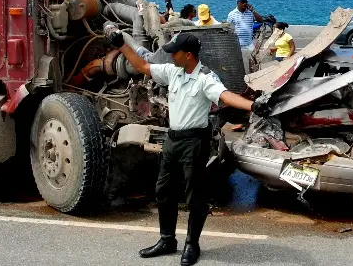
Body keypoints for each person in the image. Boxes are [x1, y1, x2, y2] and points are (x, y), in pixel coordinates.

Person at [105, 27, 270, 265]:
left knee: (194, 197)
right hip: (173, 140)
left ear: (189, 55)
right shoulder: (173, 71)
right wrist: (122, 45)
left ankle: (192, 245)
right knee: (163, 191)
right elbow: (142, 67)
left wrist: (252, 106)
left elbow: (224, 96)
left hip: (194, 142)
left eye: (175, 52)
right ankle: (167, 240)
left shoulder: (205, 77)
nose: (171, 55)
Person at [227, 0, 263, 73]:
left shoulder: (250, 13)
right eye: (242, 2)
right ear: (238, 3)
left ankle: (255, 75)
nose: (245, 3)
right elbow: (229, 28)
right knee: (239, 63)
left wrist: (253, 11)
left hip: (249, 43)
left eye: (246, 1)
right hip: (238, 44)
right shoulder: (232, 14)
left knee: (254, 61)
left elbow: (260, 20)